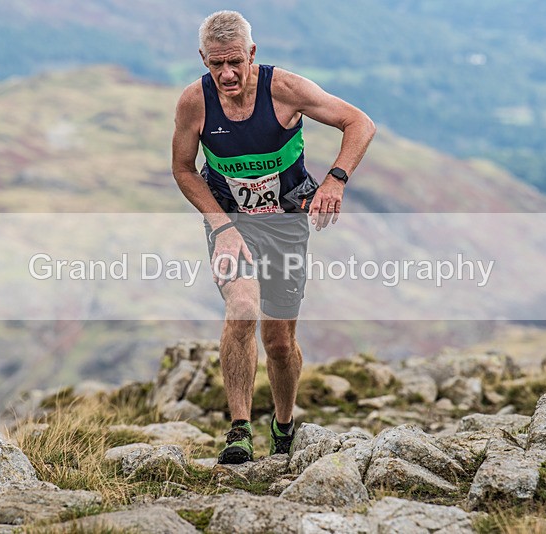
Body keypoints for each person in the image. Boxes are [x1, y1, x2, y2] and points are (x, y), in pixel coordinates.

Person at [171, 10, 375, 464]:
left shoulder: (285, 90)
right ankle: (239, 429)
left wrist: (336, 179)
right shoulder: (194, 103)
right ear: (203, 59)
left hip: (285, 223)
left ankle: (283, 426)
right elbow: (184, 169)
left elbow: (359, 123)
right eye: (215, 64)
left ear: (252, 55)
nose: (226, 74)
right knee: (241, 309)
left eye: (235, 62)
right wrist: (221, 226)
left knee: (279, 343)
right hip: (231, 224)